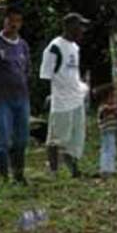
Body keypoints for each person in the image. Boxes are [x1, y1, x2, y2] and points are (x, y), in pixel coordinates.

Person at [0, 6, 32, 185]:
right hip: (1, 97)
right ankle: (3, 177)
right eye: (11, 21)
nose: (14, 25)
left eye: (17, 21)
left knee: (22, 138)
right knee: (2, 138)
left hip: (21, 97)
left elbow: (27, 70)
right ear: (5, 22)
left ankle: (19, 174)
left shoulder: (23, 45)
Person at [39, 13, 90, 178]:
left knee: (76, 138)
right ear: (69, 27)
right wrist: (51, 95)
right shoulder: (54, 47)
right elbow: (46, 75)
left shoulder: (75, 48)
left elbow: (73, 72)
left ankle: (74, 169)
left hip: (77, 98)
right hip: (61, 101)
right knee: (56, 138)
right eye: (79, 26)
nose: (82, 30)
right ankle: (53, 171)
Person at [98, 88, 117, 177]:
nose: (114, 99)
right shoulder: (103, 107)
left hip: (111, 132)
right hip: (107, 131)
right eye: (112, 97)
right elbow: (108, 110)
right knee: (108, 150)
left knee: (110, 149)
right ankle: (106, 169)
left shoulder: (109, 108)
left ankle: (109, 168)